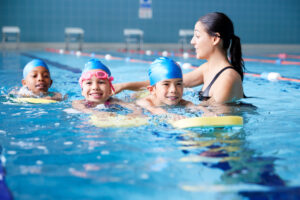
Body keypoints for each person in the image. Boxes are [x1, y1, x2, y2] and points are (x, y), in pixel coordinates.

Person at [113, 12, 245, 105]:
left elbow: (212, 116)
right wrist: (124, 86)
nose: (193, 42)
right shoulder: (207, 68)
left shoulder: (227, 79)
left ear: (215, 39)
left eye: (197, 36)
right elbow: (165, 81)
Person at [136, 57, 210, 117]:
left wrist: (205, 111)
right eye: (166, 84)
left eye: (178, 84)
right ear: (152, 90)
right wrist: (167, 115)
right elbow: (153, 109)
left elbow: (193, 106)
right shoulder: (144, 102)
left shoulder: (182, 102)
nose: (173, 90)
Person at [72, 58, 142, 118]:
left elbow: (134, 107)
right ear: (82, 91)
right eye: (89, 83)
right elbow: (83, 109)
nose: (95, 87)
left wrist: (136, 113)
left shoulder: (114, 101)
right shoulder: (79, 103)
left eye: (101, 82)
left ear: (109, 89)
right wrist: (96, 113)